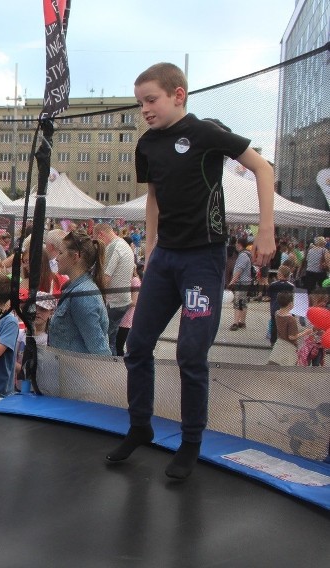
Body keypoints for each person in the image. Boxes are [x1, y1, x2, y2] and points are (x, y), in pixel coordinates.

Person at [107, 62, 275, 479]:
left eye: (151, 100)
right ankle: (140, 426)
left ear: (178, 95)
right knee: (137, 345)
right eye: (140, 102)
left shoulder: (204, 132)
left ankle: (192, 441)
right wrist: (149, 247)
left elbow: (262, 167)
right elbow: (154, 197)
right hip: (165, 259)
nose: (144, 109)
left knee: (190, 353)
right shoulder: (146, 145)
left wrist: (265, 231)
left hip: (202, 258)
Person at [48, 230, 110, 356]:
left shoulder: (83, 296)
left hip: (77, 372)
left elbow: (99, 349)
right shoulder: (76, 290)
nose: (57, 258)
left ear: (75, 256)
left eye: (60, 253)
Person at [93, 223, 135, 355]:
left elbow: (105, 277)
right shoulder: (124, 245)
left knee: (102, 339)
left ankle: (105, 368)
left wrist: (95, 297)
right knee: (112, 339)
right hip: (123, 300)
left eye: (95, 239)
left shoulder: (113, 247)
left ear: (100, 235)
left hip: (113, 302)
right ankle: (113, 365)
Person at [267, 291, 309, 366]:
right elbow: (292, 337)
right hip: (289, 346)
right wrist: (305, 332)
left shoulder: (277, 313)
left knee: (274, 364)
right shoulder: (291, 319)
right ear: (290, 304)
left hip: (279, 343)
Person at [227, 236, 254, 331]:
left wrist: (232, 281)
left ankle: (235, 322)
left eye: (236, 243)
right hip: (245, 282)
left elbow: (239, 270)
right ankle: (242, 322)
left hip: (241, 282)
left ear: (239, 244)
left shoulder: (242, 255)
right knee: (243, 302)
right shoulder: (247, 254)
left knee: (238, 302)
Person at [115, 267, 141, 357]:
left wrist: (118, 301)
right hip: (118, 316)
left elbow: (134, 301)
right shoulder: (123, 280)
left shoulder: (135, 281)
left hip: (126, 319)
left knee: (118, 345)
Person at [266, 265, 295, 345]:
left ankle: (273, 341)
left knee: (274, 324)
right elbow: (293, 296)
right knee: (287, 325)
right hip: (287, 308)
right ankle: (286, 340)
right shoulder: (291, 286)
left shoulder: (273, 285)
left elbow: (269, 295)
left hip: (275, 307)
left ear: (279, 275)